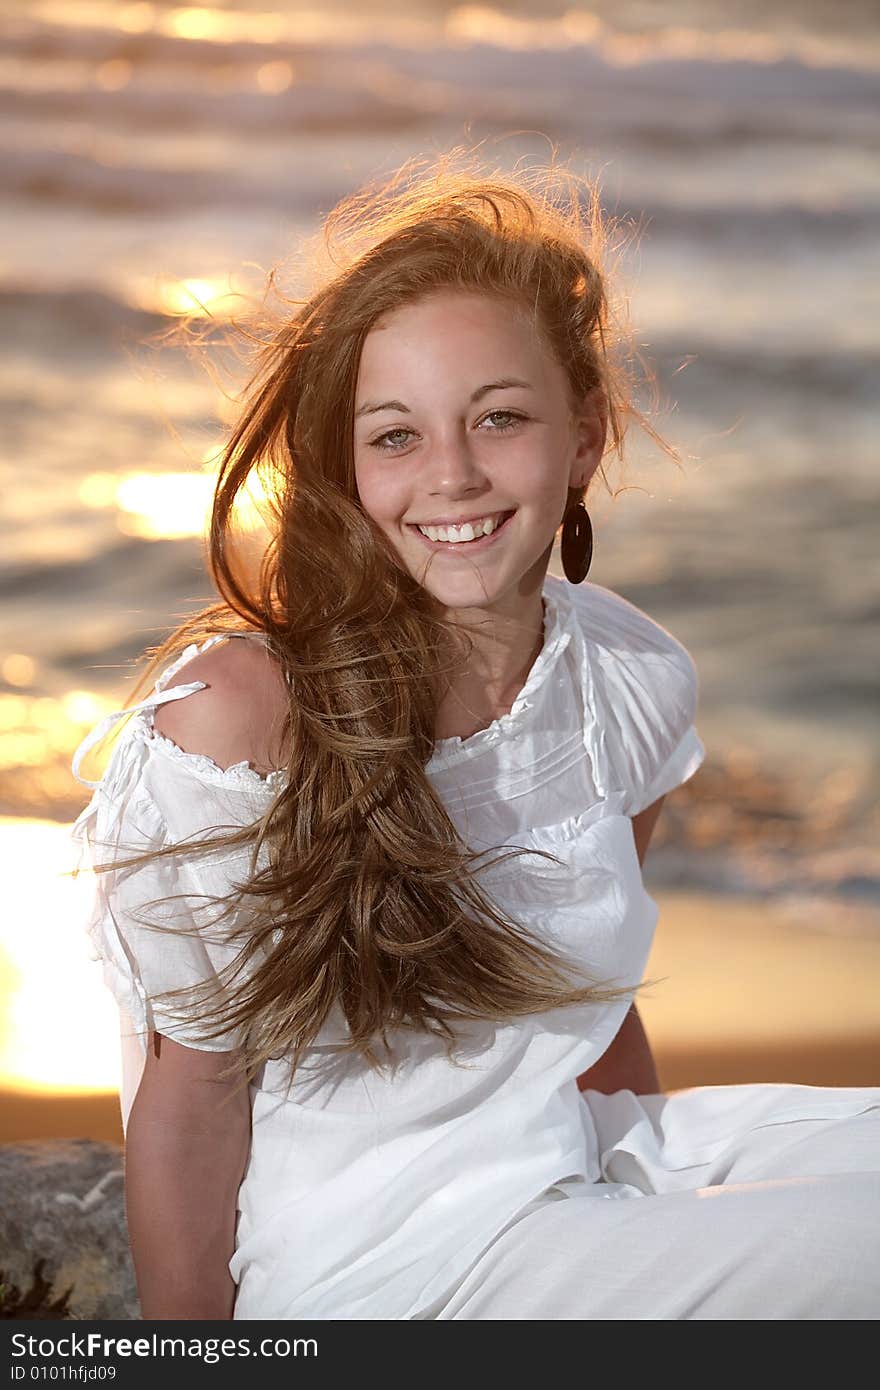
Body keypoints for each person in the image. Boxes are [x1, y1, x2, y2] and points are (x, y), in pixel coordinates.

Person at [70, 150, 880, 1321]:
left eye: (498, 418)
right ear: (347, 467)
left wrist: (656, 1217)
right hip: (393, 1261)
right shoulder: (242, 720)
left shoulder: (632, 679)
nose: (450, 476)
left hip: (583, 1169)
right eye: (394, 435)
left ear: (584, 435)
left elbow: (584, 1006)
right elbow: (194, 1097)